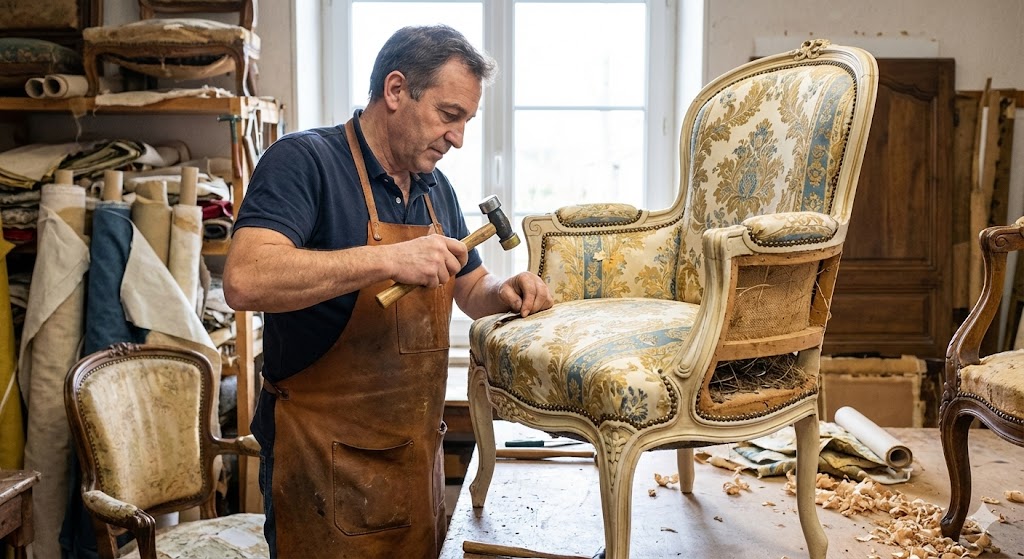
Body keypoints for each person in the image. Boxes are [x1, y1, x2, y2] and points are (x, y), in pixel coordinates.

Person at [223, 24, 553, 559]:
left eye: (467, 121)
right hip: (321, 462)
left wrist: (504, 291)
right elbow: (245, 278)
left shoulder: (433, 188)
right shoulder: (304, 162)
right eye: (450, 116)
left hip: (411, 458)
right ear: (396, 91)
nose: (459, 138)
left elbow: (469, 285)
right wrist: (386, 258)